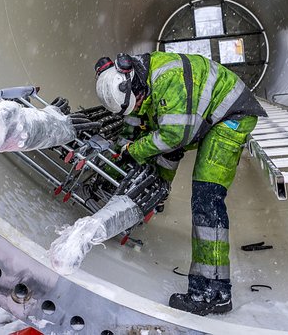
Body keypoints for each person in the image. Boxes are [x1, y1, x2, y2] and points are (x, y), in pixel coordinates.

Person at [93, 51, 266, 316]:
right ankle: (210, 286)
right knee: (163, 147)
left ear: (134, 83)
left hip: (231, 116)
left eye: (138, 101)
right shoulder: (139, 81)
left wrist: (135, 151)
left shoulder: (166, 79)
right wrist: (121, 164)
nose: (138, 106)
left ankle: (214, 292)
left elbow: (173, 137)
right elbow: (137, 130)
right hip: (206, 115)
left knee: (207, 197)